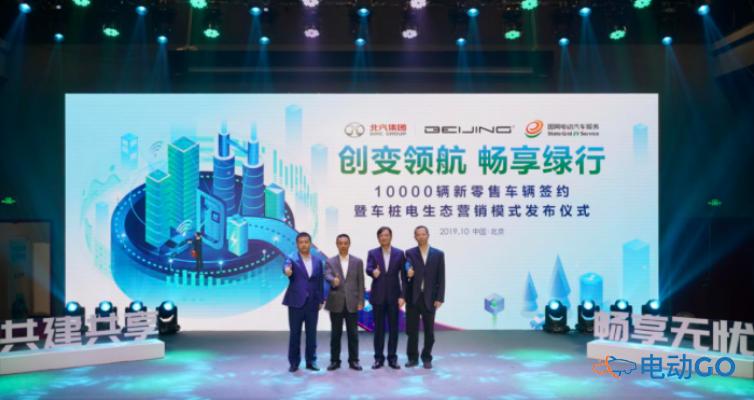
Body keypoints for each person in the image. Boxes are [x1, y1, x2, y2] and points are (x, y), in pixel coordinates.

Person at [282, 232, 325, 372]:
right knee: (295, 334)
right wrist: (287, 271)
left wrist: (321, 299)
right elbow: (286, 267)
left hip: (312, 302)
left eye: (306, 242)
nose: (304, 244)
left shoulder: (318, 261)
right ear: (297, 244)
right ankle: (294, 363)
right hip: (296, 302)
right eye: (301, 242)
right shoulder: (291, 258)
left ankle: (311, 361)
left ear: (310, 244)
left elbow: (320, 282)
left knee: (311, 334)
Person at [404, 225, 445, 369]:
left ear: (428, 235)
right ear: (415, 237)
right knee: (412, 331)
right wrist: (408, 270)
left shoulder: (438, 254)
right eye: (418, 234)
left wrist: (439, 298)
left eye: (423, 234)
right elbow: (407, 264)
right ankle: (413, 358)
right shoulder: (410, 252)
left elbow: (441, 277)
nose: (421, 236)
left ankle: (427, 357)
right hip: (413, 298)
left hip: (430, 298)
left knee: (429, 332)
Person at [366, 226, 406, 370]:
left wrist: (402, 296)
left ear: (390, 236)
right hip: (378, 296)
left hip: (394, 297)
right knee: (379, 330)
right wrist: (373, 272)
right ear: (378, 238)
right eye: (381, 235)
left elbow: (404, 276)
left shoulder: (399, 253)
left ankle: (392, 358)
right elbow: (368, 268)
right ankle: (378, 358)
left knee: (394, 329)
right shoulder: (372, 253)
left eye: (386, 235)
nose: (384, 237)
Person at [324, 234, 365, 371]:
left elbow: (361, 282)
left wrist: (361, 300)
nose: (343, 245)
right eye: (340, 243)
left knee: (353, 334)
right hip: (336, 302)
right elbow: (327, 274)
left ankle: (354, 361)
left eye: (345, 243)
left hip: (352, 302)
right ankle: (335, 361)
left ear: (349, 244)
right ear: (337, 244)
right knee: (336, 334)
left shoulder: (357, 261)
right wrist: (333, 280)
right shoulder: (330, 261)